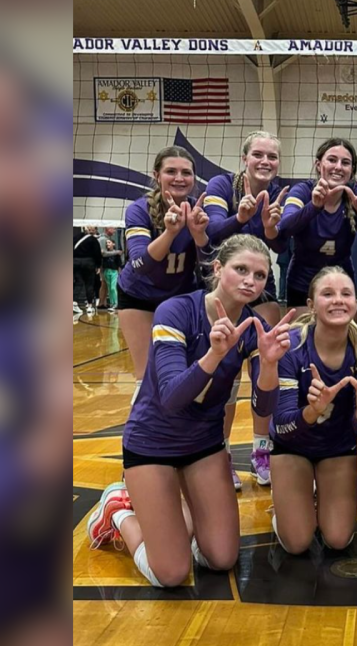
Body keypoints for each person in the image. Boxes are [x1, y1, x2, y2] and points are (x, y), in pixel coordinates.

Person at [87, 235, 295, 586]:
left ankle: (175, 512)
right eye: (241, 269)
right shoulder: (177, 310)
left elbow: (264, 407)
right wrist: (214, 354)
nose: (250, 281)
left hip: (204, 446)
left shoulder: (254, 327)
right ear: (217, 269)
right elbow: (170, 397)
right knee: (170, 573)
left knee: (222, 558)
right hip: (152, 445)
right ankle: (118, 510)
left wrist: (271, 365)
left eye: (260, 276)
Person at [269, 266, 357, 553]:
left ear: (356, 305)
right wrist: (311, 411)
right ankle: (283, 507)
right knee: (297, 544)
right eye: (327, 294)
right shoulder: (291, 347)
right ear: (311, 305)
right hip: (292, 447)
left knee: (338, 539)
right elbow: (281, 423)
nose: (338, 300)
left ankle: (308, 499)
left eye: (346, 294)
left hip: (337, 448)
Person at [202, 131, 290, 487]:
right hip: (223, 288)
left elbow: (282, 245)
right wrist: (241, 216)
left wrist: (271, 227)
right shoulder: (222, 185)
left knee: (264, 368)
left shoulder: (281, 191)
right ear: (245, 158)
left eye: (272, 156)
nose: (265, 161)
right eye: (258, 154)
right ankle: (220, 453)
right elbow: (211, 232)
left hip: (260, 287)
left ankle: (260, 450)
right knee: (224, 375)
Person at [116, 145, 210, 397]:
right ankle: (139, 435)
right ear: (157, 175)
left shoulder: (200, 210)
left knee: (186, 374)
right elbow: (139, 264)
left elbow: (210, 267)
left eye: (186, 173)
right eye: (171, 171)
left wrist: (199, 235)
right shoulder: (139, 209)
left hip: (180, 296)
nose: (179, 178)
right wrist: (170, 233)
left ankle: (188, 435)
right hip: (139, 296)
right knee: (146, 376)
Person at [274, 138, 357, 313]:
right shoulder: (303, 191)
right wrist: (314, 207)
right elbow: (284, 229)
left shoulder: (356, 193)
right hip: (303, 284)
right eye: (332, 160)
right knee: (301, 338)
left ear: (352, 170)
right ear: (318, 164)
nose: (338, 167)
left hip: (341, 286)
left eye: (345, 162)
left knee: (341, 338)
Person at [73, 225, 102, 315]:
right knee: (89, 283)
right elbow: (97, 253)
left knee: (78, 282)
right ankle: (89, 305)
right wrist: (98, 265)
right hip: (89, 263)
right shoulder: (93, 240)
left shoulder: (76, 237)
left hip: (75, 262)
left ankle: (73, 302)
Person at [100, 228, 123, 312]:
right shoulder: (105, 254)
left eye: (109, 243)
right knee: (109, 288)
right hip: (106, 271)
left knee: (113, 288)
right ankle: (112, 303)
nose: (107, 244)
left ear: (113, 244)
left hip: (114, 272)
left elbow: (119, 264)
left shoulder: (116, 254)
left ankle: (116, 303)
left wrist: (119, 272)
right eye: (107, 243)